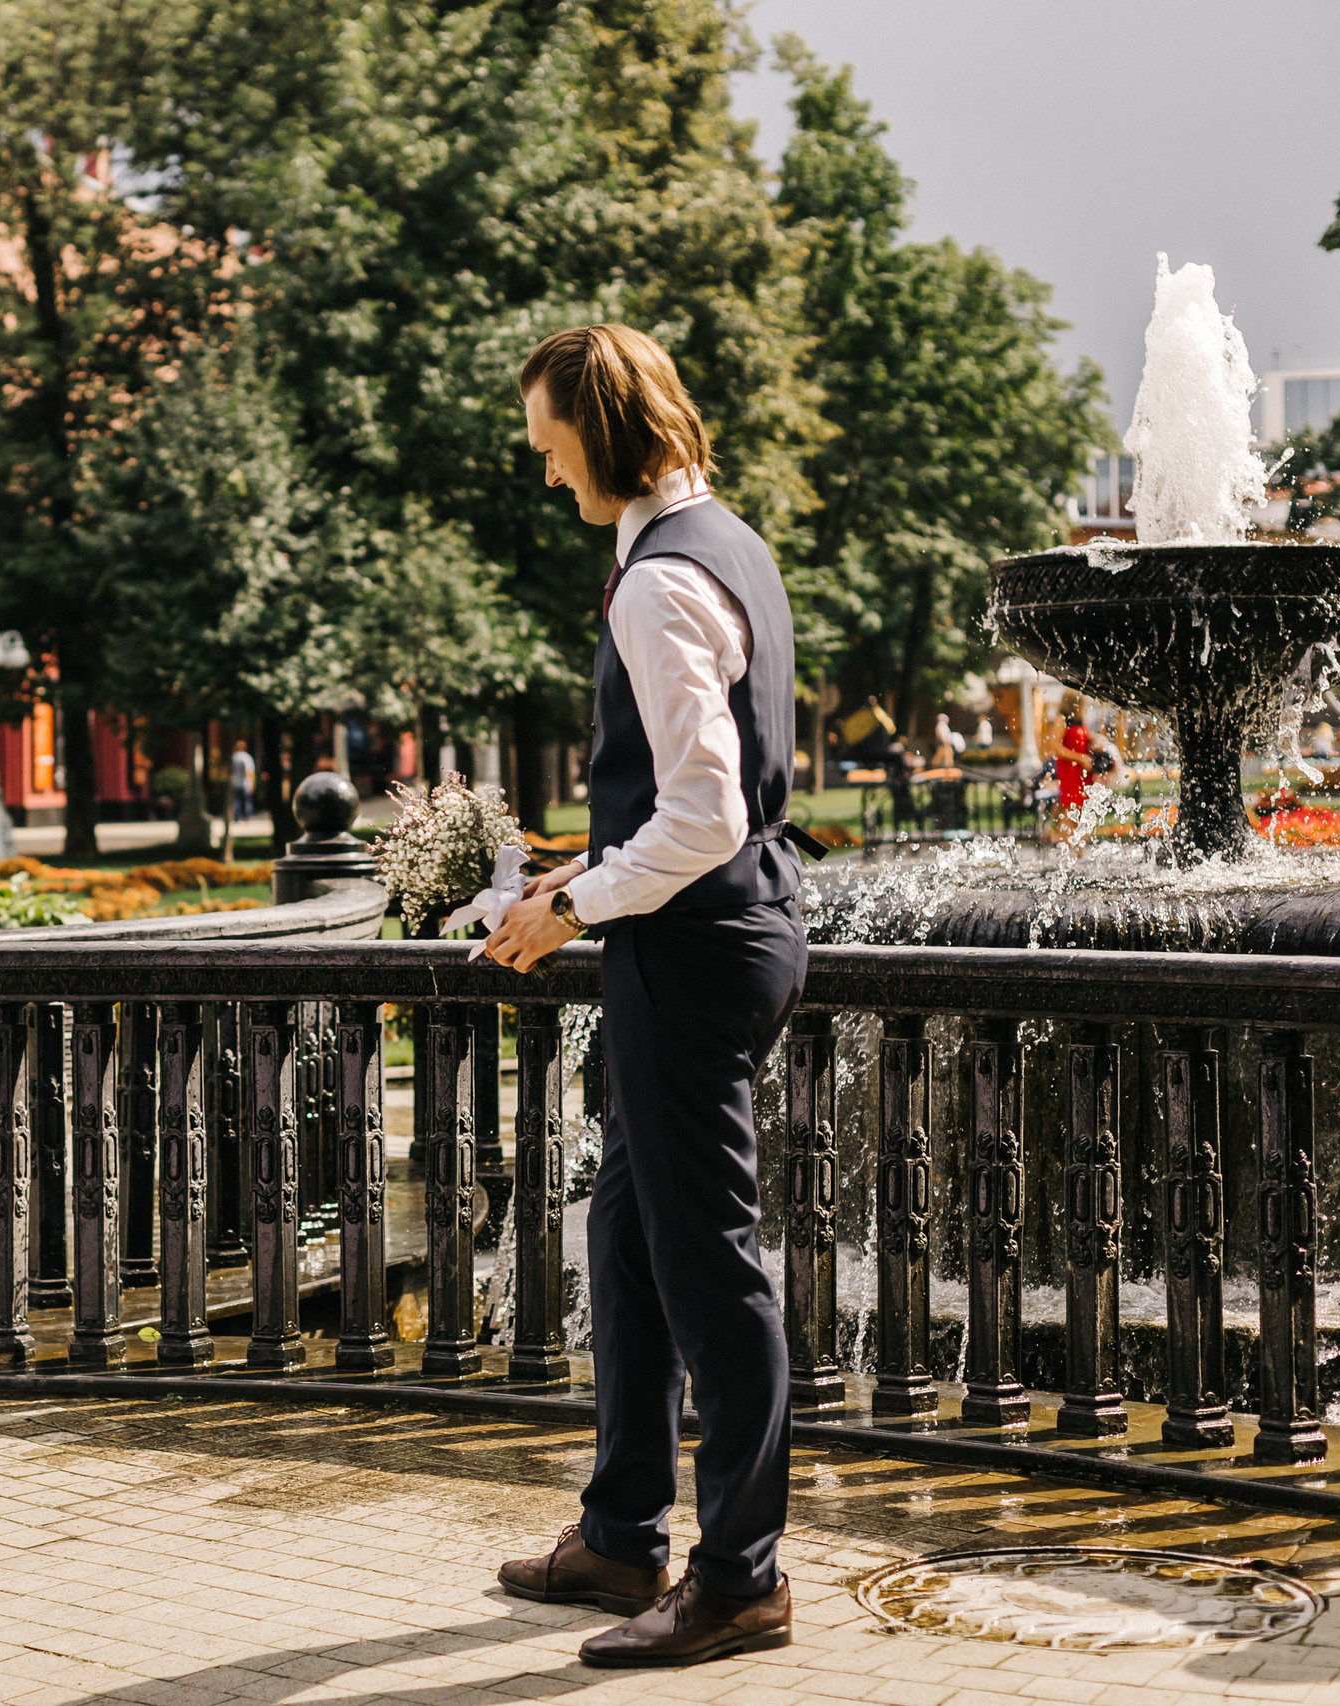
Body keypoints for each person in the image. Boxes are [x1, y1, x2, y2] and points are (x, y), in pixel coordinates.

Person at [485, 324, 815, 1669]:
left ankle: (740, 1577)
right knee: (626, 1241)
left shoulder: (656, 583)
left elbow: (705, 812)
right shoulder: (722, 541)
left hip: (691, 956)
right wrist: (583, 869)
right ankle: (622, 1528)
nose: (544, 467)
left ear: (600, 431)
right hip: (726, 930)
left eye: (551, 442)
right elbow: (699, 801)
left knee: (706, 1261)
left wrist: (566, 906)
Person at [228, 738, 256, 822]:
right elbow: (249, 771)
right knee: (247, 801)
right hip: (245, 782)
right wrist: (252, 783)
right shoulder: (247, 757)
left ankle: (236, 817)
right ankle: (247, 817)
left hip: (236, 782)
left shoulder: (234, 757)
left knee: (236, 800)